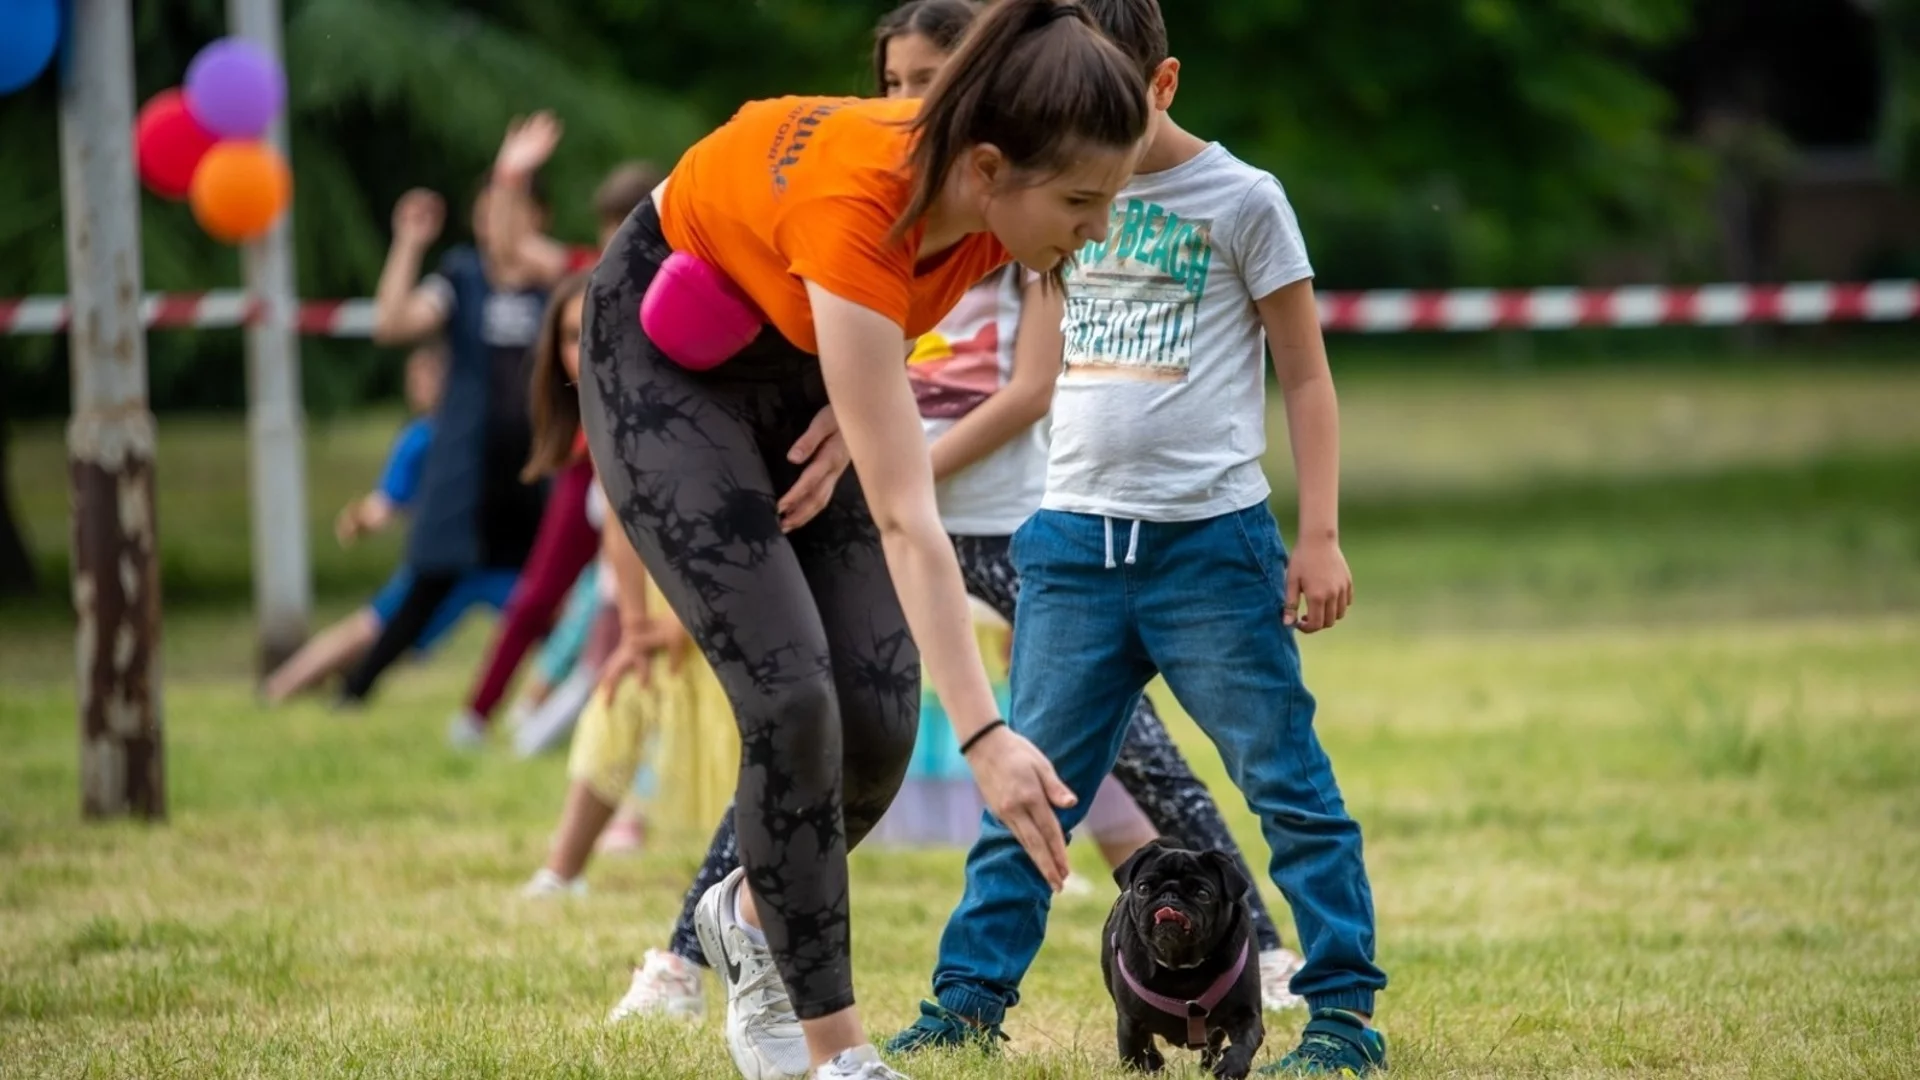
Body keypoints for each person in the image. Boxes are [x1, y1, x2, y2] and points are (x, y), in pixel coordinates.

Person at [606, 0, 1307, 1030]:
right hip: (748, 394)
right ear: (988, 164)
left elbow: (967, 365)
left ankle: (745, 913)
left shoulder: (1007, 226)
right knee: (800, 703)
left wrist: (862, 419)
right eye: (1082, 198)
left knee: (950, 733)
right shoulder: (877, 207)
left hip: (915, 429)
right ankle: (766, 1000)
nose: (1102, 226)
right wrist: (983, 732)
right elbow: (902, 509)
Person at [885, 1, 1390, 1074]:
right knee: (1025, 789)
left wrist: (1322, 534)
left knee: (1286, 782)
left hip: (1209, 548)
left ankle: (1342, 1011)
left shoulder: (1242, 199)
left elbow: (1305, 371)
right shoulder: (1040, 189)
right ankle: (965, 1005)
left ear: (1159, 86)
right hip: (1070, 547)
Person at [445, 132, 668, 747]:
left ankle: (607, 724)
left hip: (665, 466)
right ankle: (481, 714)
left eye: (630, 225)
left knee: (638, 606)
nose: (617, 241)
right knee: (542, 592)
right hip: (591, 464)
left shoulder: (683, 284)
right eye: (609, 229)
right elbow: (511, 243)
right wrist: (511, 177)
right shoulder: (589, 275)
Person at [339, 180, 552, 708]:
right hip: (467, 473)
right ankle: (354, 692)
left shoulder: (555, 281)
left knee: (553, 597)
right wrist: (409, 242)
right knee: (423, 593)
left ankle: (552, 705)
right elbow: (391, 325)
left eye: (507, 212)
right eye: (484, 215)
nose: (493, 228)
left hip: (537, 472)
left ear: (538, 218)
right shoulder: (460, 277)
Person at [261, 341, 514, 702]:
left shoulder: (484, 432)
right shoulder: (418, 440)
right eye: (415, 380)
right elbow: (385, 503)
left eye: (429, 378)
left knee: (540, 617)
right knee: (375, 632)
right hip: (439, 564)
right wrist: (360, 520)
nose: (420, 389)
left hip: (490, 562)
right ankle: (280, 689)